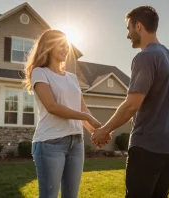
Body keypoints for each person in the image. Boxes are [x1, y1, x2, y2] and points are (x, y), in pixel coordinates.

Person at [91, 5, 169, 198]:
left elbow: (132, 104)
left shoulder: (146, 57)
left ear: (139, 26)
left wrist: (104, 130)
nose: (127, 35)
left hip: (148, 147)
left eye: (128, 28)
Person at [23, 29, 102, 198]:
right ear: (48, 47)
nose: (66, 50)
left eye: (67, 46)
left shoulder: (72, 78)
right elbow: (52, 107)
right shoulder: (40, 73)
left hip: (76, 143)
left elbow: (82, 109)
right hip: (50, 143)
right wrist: (86, 117)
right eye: (61, 45)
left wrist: (96, 132)